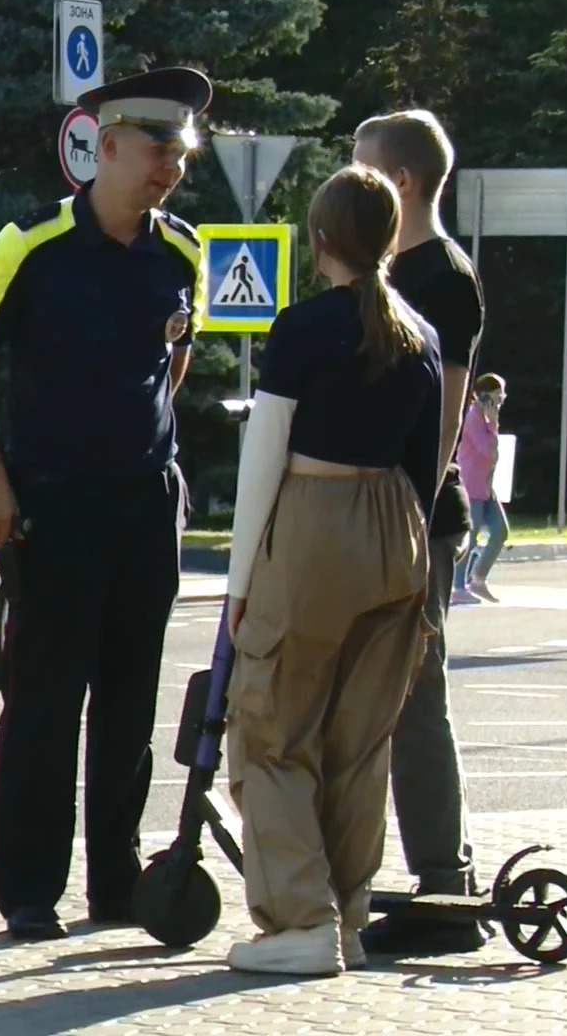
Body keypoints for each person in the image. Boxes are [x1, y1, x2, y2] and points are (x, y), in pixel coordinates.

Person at [0, 67, 211, 941]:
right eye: (156, 149)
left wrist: (152, 449)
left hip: (142, 508)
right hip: (51, 511)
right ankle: (28, 889)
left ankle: (115, 885)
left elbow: (173, 362)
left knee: (131, 704)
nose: (170, 167)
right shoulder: (30, 247)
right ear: (108, 145)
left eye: (182, 151)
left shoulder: (182, 252)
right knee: (46, 705)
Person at [221, 163, 442, 975]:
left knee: (272, 731)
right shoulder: (420, 335)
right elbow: (428, 463)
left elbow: (264, 462)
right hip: (396, 534)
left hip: (313, 526)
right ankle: (347, 914)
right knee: (360, 742)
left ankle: (299, 923)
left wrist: (241, 586)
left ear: (321, 240)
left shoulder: (303, 329)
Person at [350, 108, 489, 957]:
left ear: (399, 182)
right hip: (375, 509)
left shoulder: (441, 276)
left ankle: (442, 884)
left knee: (413, 695)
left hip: (415, 518)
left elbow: (447, 403)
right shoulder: (390, 268)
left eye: (361, 170)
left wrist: (410, 500)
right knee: (383, 695)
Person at [453, 374, 510, 604]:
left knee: (500, 531)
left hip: (486, 488)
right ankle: (457, 588)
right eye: (499, 394)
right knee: (470, 538)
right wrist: (493, 423)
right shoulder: (472, 418)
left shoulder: (485, 419)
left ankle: (478, 579)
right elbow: (488, 451)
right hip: (471, 486)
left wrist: (492, 422)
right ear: (486, 395)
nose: (502, 399)